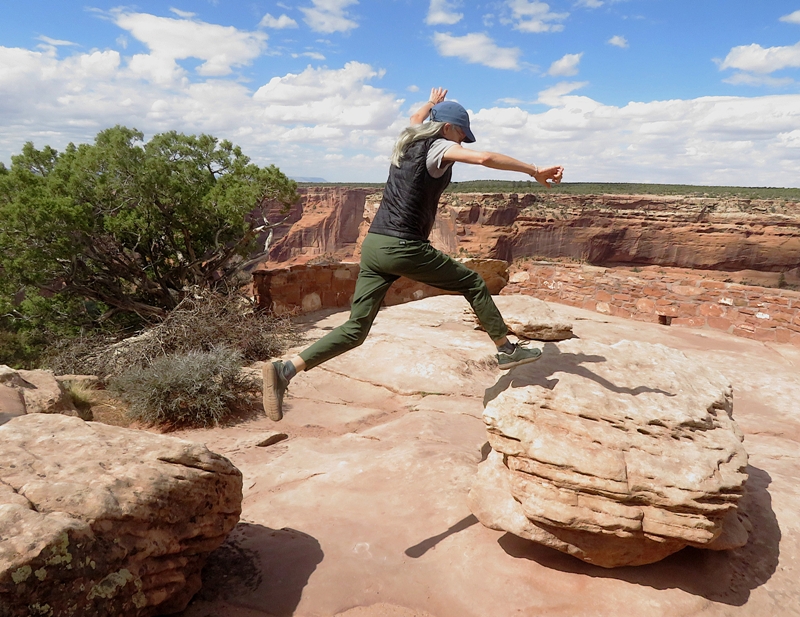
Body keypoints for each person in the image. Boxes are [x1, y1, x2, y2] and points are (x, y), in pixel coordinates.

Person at [263, 87, 564, 420]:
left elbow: (415, 117)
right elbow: (484, 159)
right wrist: (533, 170)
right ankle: (506, 349)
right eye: (461, 135)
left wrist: (432, 103)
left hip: (375, 245)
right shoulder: (438, 146)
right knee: (473, 283)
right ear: (447, 128)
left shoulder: (409, 139)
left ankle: (285, 370)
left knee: (355, 330)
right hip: (403, 245)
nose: (462, 143)